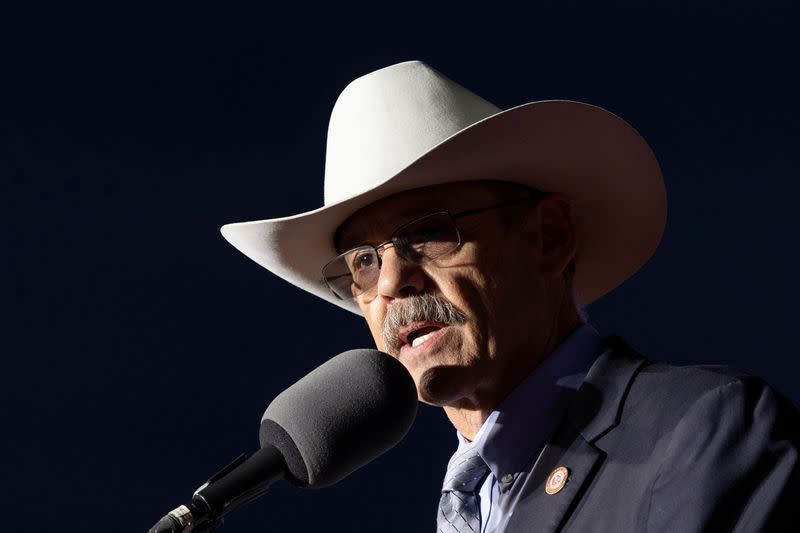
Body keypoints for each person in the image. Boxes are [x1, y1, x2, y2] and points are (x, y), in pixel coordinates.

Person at [220, 61, 799, 532]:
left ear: (550, 238)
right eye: (364, 262)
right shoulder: (470, 509)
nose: (393, 283)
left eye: (425, 232)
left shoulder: (704, 430)